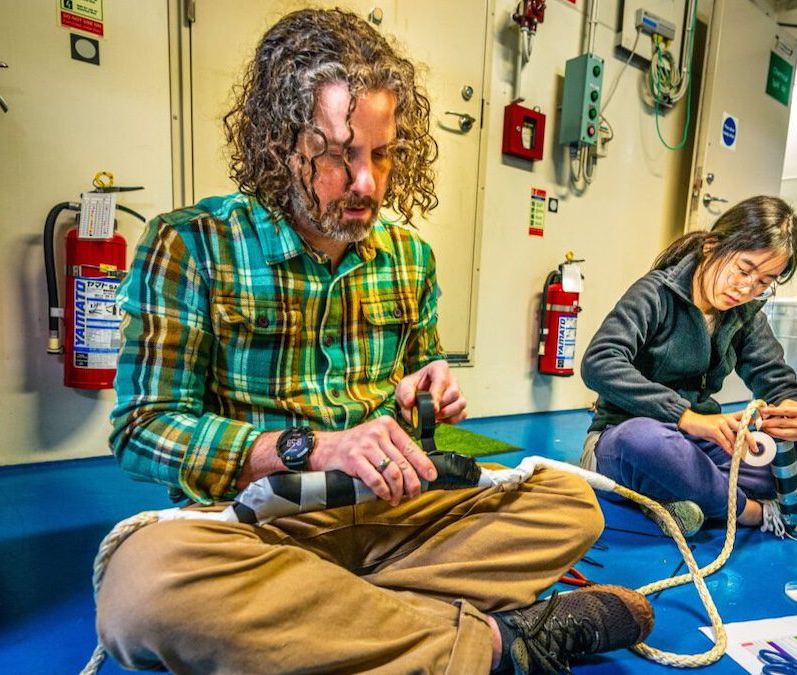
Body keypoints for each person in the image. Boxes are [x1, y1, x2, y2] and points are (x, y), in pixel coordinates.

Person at [98, 9, 652, 674]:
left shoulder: (410, 257)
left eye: (381, 154)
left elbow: (417, 398)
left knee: (570, 504)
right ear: (280, 143)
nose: (366, 183)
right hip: (270, 524)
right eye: (339, 154)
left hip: (395, 512)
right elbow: (143, 429)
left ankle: (326, 619)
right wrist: (313, 447)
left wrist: (430, 396)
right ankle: (497, 643)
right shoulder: (189, 244)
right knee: (144, 593)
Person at [580, 196, 797, 536]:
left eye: (764, 282)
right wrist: (688, 417)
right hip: (626, 441)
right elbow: (600, 361)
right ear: (711, 246)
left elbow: (777, 380)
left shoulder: (746, 313)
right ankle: (754, 511)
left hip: (700, 449)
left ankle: (688, 493)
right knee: (644, 442)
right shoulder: (655, 293)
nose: (746, 288)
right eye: (743, 270)